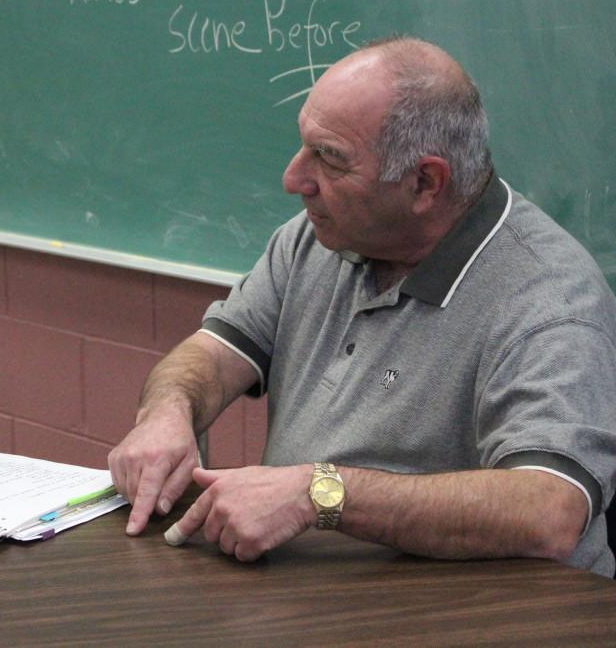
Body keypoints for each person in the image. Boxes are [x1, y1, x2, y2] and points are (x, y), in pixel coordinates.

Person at [108, 36, 616, 576]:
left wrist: (320, 493)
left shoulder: (548, 300)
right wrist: (166, 414)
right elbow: (211, 354)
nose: (294, 180)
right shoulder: (317, 239)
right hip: (310, 592)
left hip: (474, 613)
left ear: (425, 182)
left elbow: (549, 511)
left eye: (329, 159)